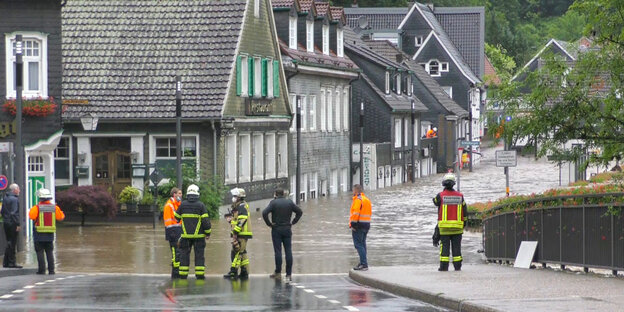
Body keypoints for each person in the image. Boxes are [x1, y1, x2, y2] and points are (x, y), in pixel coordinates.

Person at [262, 188, 303, 282]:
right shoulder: (289, 202)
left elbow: (264, 213)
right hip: (287, 228)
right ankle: (288, 274)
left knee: (278, 251)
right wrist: (293, 221)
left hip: (276, 229)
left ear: (275, 194)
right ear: (283, 194)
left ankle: (278, 273)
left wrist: (269, 224)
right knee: (288, 251)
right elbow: (299, 212)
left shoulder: (273, 203)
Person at [173, 184, 211, 279]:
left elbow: (176, 217)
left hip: (185, 237)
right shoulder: (201, 205)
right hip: (199, 237)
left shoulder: (183, 204)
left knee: (184, 256)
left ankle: (183, 274)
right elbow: (206, 221)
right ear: (197, 194)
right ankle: (199, 275)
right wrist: (208, 233)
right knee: (199, 256)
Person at [433, 173, 467, 271]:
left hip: (444, 229)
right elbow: (465, 210)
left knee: (444, 249)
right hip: (457, 228)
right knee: (457, 249)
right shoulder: (460, 196)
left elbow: (435, 202)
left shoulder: (441, 195)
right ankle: (457, 267)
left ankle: (444, 267)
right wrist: (464, 222)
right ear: (454, 183)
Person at [28, 189, 65, 274]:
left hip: (39, 234)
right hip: (49, 234)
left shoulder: (36, 208)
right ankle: (51, 270)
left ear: (40, 198)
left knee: (39, 252)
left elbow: (31, 216)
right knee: (49, 252)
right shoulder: (55, 208)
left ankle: (42, 270)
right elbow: (61, 217)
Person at [223, 188, 253, 280]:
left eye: (235, 196)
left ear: (239, 197)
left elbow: (242, 220)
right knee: (242, 252)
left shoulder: (241, 206)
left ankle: (233, 271)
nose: (233, 198)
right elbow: (237, 220)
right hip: (241, 232)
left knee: (237, 252)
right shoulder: (239, 206)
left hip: (241, 233)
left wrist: (235, 232)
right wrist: (230, 220)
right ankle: (245, 272)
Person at [349, 184, 371, 271]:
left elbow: (356, 213)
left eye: (353, 190)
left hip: (358, 225)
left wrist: (353, 224)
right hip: (366, 225)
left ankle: (364, 264)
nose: (352, 192)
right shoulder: (366, 200)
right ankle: (363, 262)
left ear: (356, 191)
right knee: (362, 244)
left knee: (358, 245)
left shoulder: (358, 200)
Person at [163, 187, 182, 278]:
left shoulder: (178, 204)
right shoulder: (169, 205)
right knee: (175, 254)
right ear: (174, 194)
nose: (181, 195)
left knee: (179, 253)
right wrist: (171, 233)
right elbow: (168, 222)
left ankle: (177, 272)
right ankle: (175, 274)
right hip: (173, 233)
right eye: (179, 193)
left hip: (179, 232)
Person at [2, 183, 22, 268]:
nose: (19, 191)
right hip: (12, 223)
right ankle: (12, 262)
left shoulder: (5, 198)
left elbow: (2, 211)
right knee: (13, 243)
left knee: (9, 241)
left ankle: (6, 262)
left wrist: (5, 219)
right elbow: (14, 213)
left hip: (6, 222)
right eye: (18, 189)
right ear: (14, 190)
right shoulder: (14, 199)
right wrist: (17, 224)